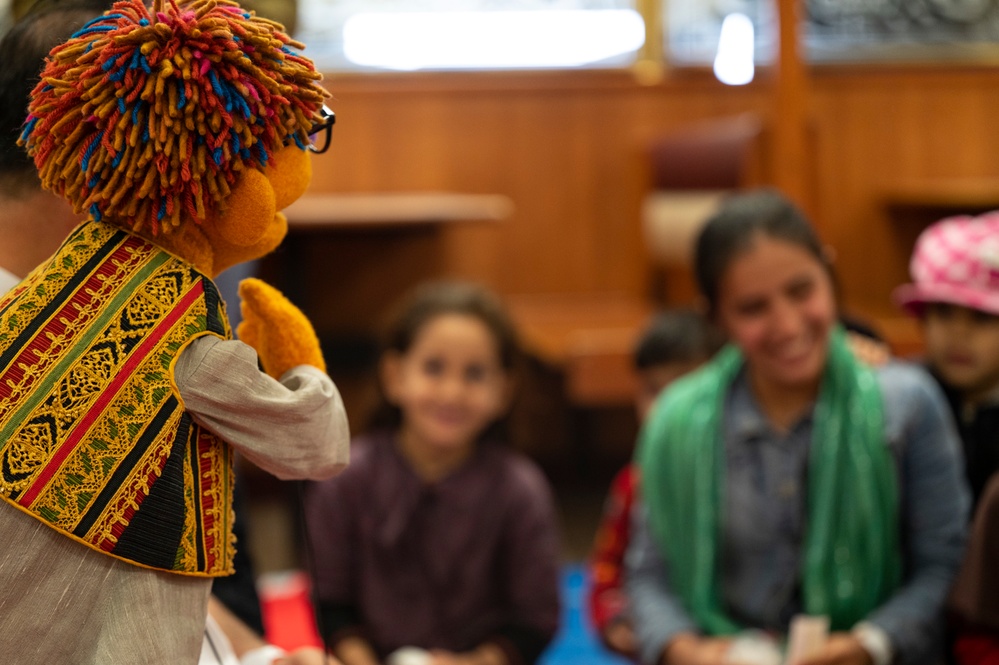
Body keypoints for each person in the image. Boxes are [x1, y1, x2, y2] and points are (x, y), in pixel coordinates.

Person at [0, 0, 350, 661]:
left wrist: (263, 655)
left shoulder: (52, 296)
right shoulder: (190, 342)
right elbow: (316, 442)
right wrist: (300, 368)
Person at [626, 189, 969, 665]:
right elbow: (648, 574)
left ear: (829, 273)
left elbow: (944, 566)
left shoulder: (907, 405)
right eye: (752, 308)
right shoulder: (675, 421)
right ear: (716, 318)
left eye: (801, 291)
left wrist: (869, 645)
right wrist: (686, 649)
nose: (786, 325)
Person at [303, 280, 561, 665]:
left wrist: (476, 662)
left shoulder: (520, 490)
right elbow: (331, 600)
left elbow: (534, 619)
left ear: (504, 391)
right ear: (395, 376)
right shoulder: (345, 477)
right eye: (434, 368)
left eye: (474, 374)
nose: (452, 392)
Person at [892, 212, 999, 665]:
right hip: (913, 607)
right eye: (942, 313)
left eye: (979, 318)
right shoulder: (905, 399)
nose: (957, 333)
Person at [589, 310, 723, 659]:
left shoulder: (746, 476)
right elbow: (607, 571)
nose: (665, 408)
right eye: (652, 391)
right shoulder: (635, 483)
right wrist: (617, 623)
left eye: (684, 388)